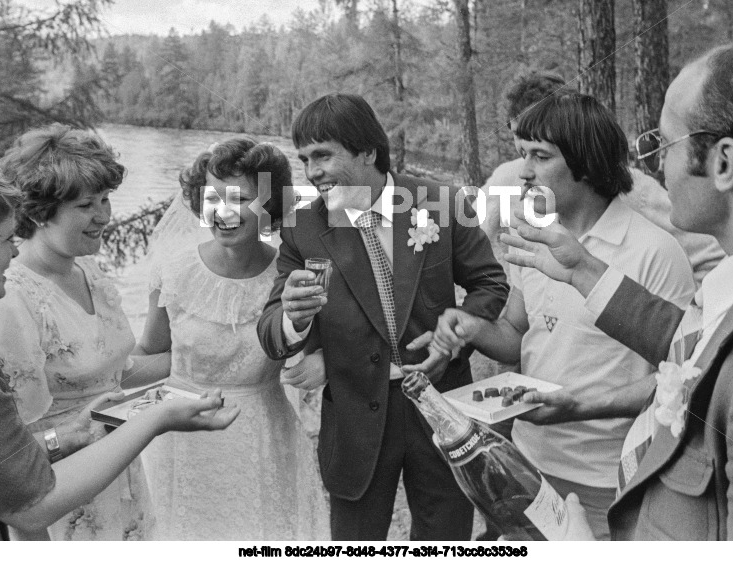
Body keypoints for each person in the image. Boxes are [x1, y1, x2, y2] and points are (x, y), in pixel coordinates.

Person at [503, 39, 733, 539]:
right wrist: (584, 271)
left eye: (664, 145)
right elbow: (705, 350)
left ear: (724, 163)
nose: (656, 166)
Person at [0, 163, 239, 541]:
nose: (14, 251)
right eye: (5, 240)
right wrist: (155, 418)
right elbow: (32, 506)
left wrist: (69, 435)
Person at [433, 92, 695, 539]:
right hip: (522, 462)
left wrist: (576, 407)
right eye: (521, 155)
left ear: (588, 163)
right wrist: (473, 327)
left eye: (540, 156)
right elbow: (517, 333)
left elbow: (677, 378)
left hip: (608, 477)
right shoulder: (531, 237)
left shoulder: (655, 252)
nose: (525, 171)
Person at [257, 94, 509, 541]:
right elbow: (271, 330)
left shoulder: (443, 202)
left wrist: (459, 326)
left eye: (322, 155)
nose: (311, 171)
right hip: (354, 417)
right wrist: (294, 319)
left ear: (368, 151)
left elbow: (490, 284)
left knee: (445, 538)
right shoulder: (303, 227)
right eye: (304, 159)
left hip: (443, 407)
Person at [0, 124, 169, 540]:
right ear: (39, 212)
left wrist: (212, 361)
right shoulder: (9, 299)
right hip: (58, 495)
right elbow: (9, 449)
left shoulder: (88, 270)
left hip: (118, 472)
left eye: (106, 199)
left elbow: (115, 372)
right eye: (85, 205)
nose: (105, 216)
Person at [134, 138, 330, 540]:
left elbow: (323, 343)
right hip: (182, 438)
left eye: (239, 198)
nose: (222, 212)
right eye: (212, 197)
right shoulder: (173, 269)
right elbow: (150, 356)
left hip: (262, 434)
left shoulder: (289, 272)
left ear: (270, 205)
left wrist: (325, 360)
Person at [481, 71, 724, 287]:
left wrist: (677, 318)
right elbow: (471, 238)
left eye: (543, 140)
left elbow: (708, 254)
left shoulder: (631, 187)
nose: (525, 146)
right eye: (518, 135)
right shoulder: (505, 179)